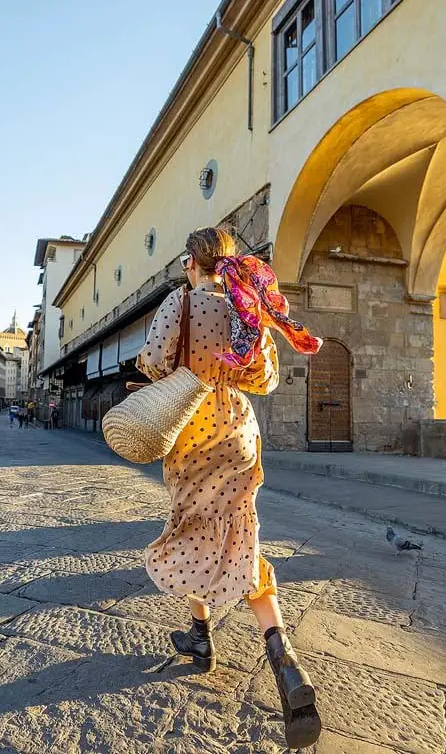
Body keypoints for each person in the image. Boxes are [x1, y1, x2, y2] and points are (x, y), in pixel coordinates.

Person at [136, 227, 324, 749]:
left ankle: (202, 636)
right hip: (238, 431)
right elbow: (264, 379)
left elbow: (153, 363)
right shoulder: (248, 307)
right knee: (241, 535)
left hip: (190, 429)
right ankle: (279, 654)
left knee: (191, 527)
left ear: (190, 264)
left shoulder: (182, 301)